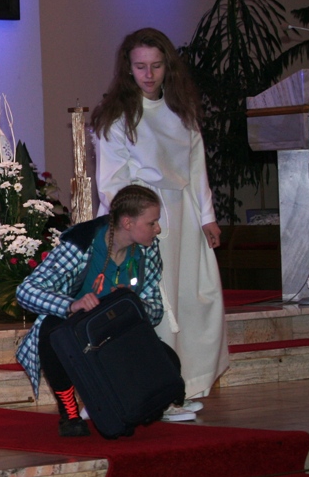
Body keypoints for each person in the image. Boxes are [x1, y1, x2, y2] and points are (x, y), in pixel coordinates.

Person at [91, 27, 228, 417]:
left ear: (168, 66)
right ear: (127, 68)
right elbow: (112, 182)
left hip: (183, 214)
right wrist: (136, 223)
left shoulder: (182, 110)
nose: (148, 75)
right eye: (140, 67)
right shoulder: (118, 116)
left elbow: (196, 167)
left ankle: (181, 382)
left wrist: (207, 217)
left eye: (156, 66)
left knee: (193, 300)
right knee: (155, 303)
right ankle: (153, 392)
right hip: (143, 217)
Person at [16, 185, 169, 437]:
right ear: (128, 223)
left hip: (118, 333)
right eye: (152, 223)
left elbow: (155, 310)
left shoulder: (147, 251)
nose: (158, 229)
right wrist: (70, 305)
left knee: (169, 362)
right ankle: (69, 412)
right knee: (51, 329)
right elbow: (26, 291)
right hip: (79, 333)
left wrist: (132, 303)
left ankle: (125, 406)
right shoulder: (81, 243)